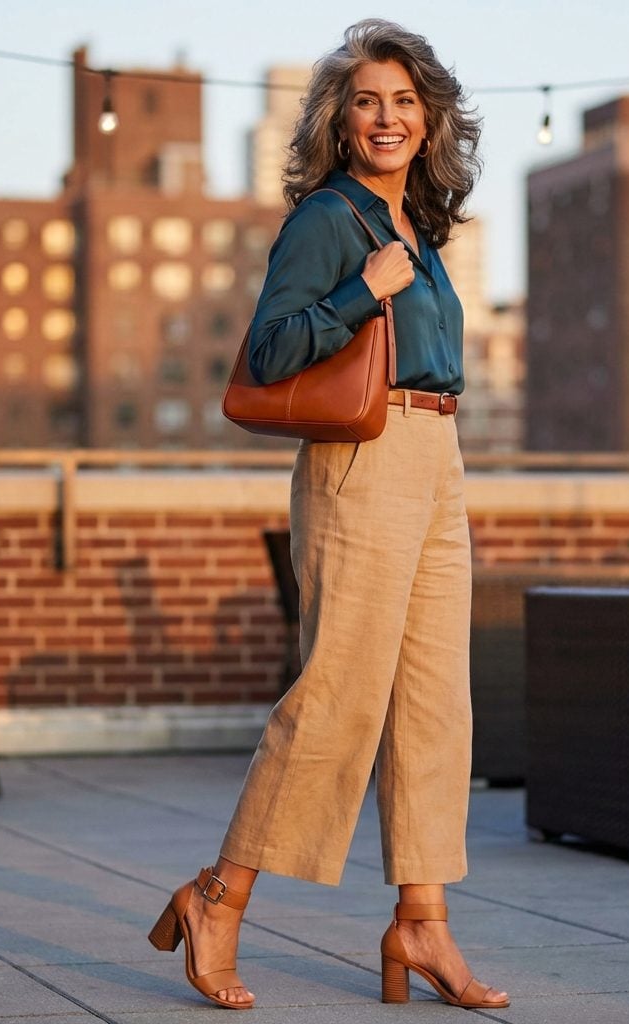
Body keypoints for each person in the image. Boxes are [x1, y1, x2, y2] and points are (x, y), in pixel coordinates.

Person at [148, 18, 509, 1012]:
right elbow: (269, 351)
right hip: (362, 459)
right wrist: (361, 290)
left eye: (404, 101)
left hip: (436, 455)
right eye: (366, 102)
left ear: (429, 119)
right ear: (340, 122)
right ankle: (217, 897)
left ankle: (422, 922)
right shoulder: (329, 219)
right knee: (340, 693)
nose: (387, 118)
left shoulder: (417, 226)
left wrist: (393, 275)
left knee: (435, 701)